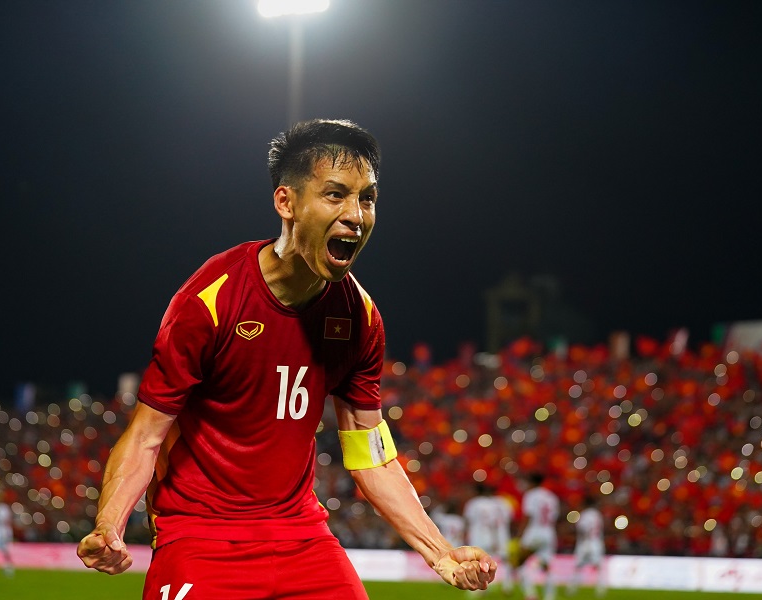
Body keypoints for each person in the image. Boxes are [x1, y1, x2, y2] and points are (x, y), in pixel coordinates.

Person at [77, 119, 497, 598]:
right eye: (335, 195)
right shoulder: (210, 301)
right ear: (286, 202)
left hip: (301, 536)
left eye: (367, 198)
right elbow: (145, 437)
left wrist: (440, 552)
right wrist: (109, 524)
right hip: (201, 534)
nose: (356, 215)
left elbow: (372, 457)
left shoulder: (359, 318)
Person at [462, 484, 517, 595]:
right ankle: (507, 586)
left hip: (479, 535)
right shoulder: (503, 503)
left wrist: (465, 535)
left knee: (477, 561)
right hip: (501, 535)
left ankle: (478, 588)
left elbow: (467, 520)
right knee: (504, 561)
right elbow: (510, 520)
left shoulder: (474, 503)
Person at [517, 473, 560, 600]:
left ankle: (530, 594)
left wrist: (520, 535)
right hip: (549, 533)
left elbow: (528, 516)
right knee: (547, 567)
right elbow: (554, 518)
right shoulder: (551, 497)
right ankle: (550, 596)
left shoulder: (531, 495)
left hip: (533, 532)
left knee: (519, 562)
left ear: (532, 482)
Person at [567, 496, 606, 597]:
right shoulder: (597, 515)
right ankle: (601, 590)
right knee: (598, 567)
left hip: (585, 541)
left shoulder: (585, 514)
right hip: (596, 542)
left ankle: (572, 589)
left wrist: (583, 541)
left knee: (578, 566)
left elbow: (583, 529)